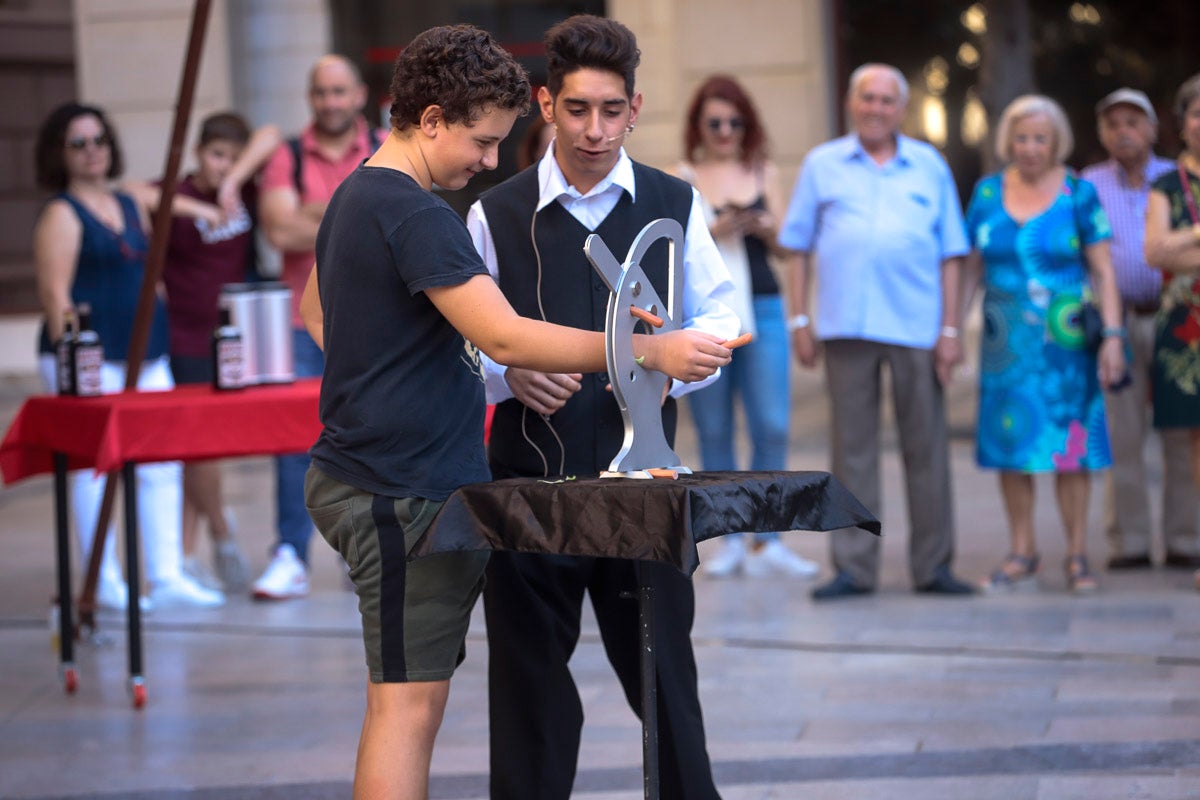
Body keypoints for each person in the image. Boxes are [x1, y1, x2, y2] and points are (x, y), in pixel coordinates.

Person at [297, 24, 732, 798]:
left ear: (633, 110)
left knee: (415, 700)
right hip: (409, 486)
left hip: (390, 475)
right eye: (484, 140)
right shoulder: (421, 214)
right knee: (408, 708)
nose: (491, 161)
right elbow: (503, 332)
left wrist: (422, 369)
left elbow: (319, 314)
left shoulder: (355, 194)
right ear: (430, 121)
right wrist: (642, 353)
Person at [466, 15, 738, 799]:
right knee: (529, 703)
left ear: (635, 107)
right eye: (577, 109)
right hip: (527, 493)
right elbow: (458, 343)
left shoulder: (673, 200)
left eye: (610, 110)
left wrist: (665, 372)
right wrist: (502, 375)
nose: (594, 129)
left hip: (645, 494)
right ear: (545, 103)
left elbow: (721, 319)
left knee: (667, 691)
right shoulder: (496, 212)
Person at [778, 63, 974, 600]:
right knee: (853, 452)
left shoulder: (929, 165)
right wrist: (800, 319)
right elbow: (798, 249)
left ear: (901, 110)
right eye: (868, 97)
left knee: (927, 449)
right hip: (846, 327)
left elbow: (952, 254)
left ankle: (934, 566)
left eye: (887, 100)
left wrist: (951, 329)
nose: (876, 108)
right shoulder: (823, 164)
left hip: (917, 328)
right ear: (851, 101)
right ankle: (853, 567)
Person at [31, 102, 226, 610]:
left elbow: (162, 202)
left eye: (98, 140)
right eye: (78, 143)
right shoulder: (60, 213)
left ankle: (165, 574)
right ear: (60, 153)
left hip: (148, 355)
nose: (92, 151)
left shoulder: (128, 201)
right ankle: (105, 580)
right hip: (92, 360)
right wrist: (77, 371)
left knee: (160, 464)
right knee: (92, 469)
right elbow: (56, 297)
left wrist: (208, 207)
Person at [961, 95, 1126, 594]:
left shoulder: (1079, 193)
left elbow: (1102, 270)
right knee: (1013, 446)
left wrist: (1114, 336)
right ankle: (1022, 551)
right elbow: (970, 270)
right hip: (1004, 348)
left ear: (1056, 142)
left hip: (1066, 346)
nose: (1030, 147)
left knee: (1071, 451)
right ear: (1007, 141)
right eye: (1021, 138)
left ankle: (1077, 554)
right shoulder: (987, 193)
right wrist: (948, 332)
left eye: (1040, 138)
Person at [671, 74, 818, 579]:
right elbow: (674, 253)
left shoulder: (763, 171)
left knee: (772, 425)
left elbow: (786, 249)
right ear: (699, 126)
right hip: (707, 315)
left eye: (735, 121)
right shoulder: (682, 176)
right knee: (714, 431)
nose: (725, 130)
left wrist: (763, 226)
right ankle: (728, 537)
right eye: (715, 122)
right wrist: (714, 230)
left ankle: (768, 539)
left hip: (765, 307)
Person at [251, 54, 385, 601]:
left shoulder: (384, 144)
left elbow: (396, 221)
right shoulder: (285, 155)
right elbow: (280, 232)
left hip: (375, 320)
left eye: (339, 91)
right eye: (320, 92)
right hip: (298, 325)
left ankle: (366, 551)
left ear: (357, 94)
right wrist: (355, 210)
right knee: (293, 442)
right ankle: (290, 553)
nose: (330, 102)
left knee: (373, 435)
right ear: (312, 99)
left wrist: (316, 212)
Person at [161, 111, 282, 592]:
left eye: (232, 157)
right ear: (197, 152)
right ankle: (216, 533)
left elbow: (271, 132)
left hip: (238, 335)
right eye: (215, 155)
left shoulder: (244, 191)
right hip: (187, 334)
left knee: (208, 446)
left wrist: (232, 182)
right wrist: (206, 211)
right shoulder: (182, 195)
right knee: (198, 444)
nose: (222, 165)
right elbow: (139, 194)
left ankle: (192, 549)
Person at [1082, 88, 1200, 571]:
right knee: (1121, 432)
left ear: (1154, 129)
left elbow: (1168, 250)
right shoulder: (1088, 183)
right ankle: (1128, 541)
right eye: (1113, 123)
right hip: (1119, 318)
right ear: (1102, 133)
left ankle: (1185, 539)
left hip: (1177, 319)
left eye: (1134, 121)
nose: (1123, 131)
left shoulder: (1175, 179)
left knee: (1183, 431)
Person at [1143, 72, 1200, 593]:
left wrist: (1184, 248)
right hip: (1187, 328)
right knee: (1195, 444)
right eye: (1197, 113)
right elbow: (1155, 250)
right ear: (1182, 123)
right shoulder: (1166, 185)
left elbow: (1172, 249)